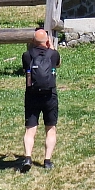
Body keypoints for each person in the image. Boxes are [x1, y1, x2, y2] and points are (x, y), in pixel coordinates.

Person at [21, 28, 60, 172]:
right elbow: (57, 65)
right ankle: (47, 160)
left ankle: (27, 157)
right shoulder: (54, 54)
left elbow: (26, 68)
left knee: (30, 130)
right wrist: (51, 47)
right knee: (50, 128)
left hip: (32, 95)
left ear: (32, 41)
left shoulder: (27, 55)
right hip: (49, 95)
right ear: (47, 41)